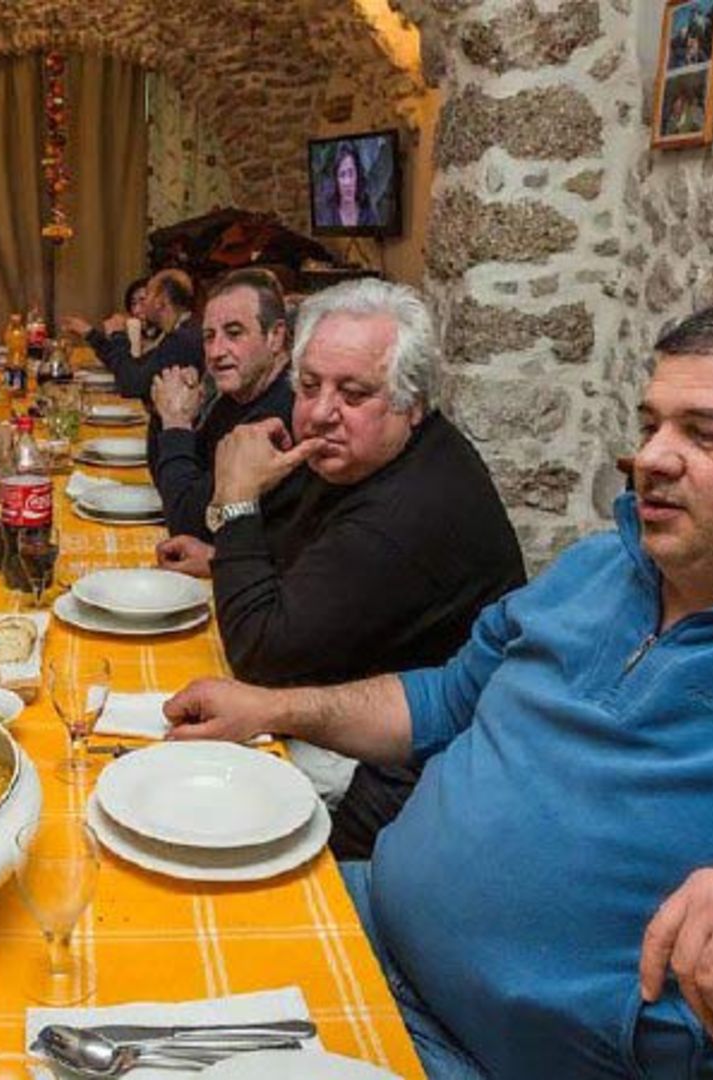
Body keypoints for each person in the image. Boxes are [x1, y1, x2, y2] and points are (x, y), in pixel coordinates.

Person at [164, 295, 713, 1078]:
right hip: (373, 923)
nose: (651, 459)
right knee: (108, 935)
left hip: (490, 1059)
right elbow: (447, 700)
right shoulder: (608, 565)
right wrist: (274, 707)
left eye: (705, 434)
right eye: (651, 423)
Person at [157, 279, 523, 857]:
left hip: (395, 782)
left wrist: (236, 499)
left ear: (412, 404)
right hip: (338, 694)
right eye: (308, 386)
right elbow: (305, 560)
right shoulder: (356, 453)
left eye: (353, 394)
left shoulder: (409, 513)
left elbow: (259, 652)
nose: (321, 413)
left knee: (171, 795)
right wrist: (225, 554)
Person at [146, 268, 309, 542]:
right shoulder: (238, 395)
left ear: (275, 337)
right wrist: (168, 411)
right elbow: (170, 483)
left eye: (234, 333)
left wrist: (175, 423)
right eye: (209, 336)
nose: (215, 352)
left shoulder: (279, 412)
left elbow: (186, 523)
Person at [63, 268, 202, 403]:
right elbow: (133, 366)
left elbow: (131, 384)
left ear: (160, 302)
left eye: (146, 296)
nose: (140, 306)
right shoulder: (178, 330)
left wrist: (118, 335)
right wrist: (91, 334)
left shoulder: (183, 338)